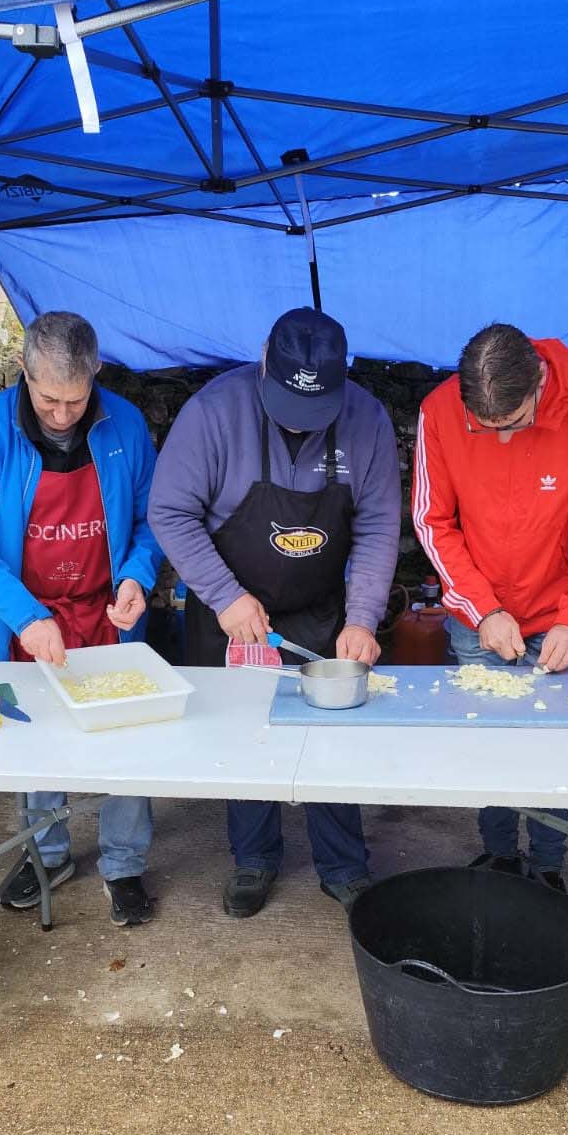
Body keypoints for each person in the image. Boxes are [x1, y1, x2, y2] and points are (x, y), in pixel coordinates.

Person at [148, 307, 401, 917]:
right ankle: (254, 857)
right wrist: (225, 596)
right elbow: (169, 512)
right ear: (264, 363)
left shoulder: (367, 420)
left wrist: (363, 617)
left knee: (331, 734)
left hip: (321, 609)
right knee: (244, 733)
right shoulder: (213, 413)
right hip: (232, 612)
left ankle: (343, 863)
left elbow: (377, 524)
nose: (299, 424)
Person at [0, 312, 164, 926]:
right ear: (23, 371)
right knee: (38, 736)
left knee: (125, 735)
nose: (63, 414)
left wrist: (137, 576)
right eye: (48, 400)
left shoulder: (126, 424)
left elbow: (153, 520)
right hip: (29, 612)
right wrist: (24, 615)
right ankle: (47, 853)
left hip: (107, 610)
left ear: (97, 373)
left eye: (75, 399)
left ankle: (124, 864)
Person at [412, 323, 568, 891]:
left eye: (513, 423)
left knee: (551, 743)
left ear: (538, 381)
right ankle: (500, 857)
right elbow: (432, 522)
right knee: (489, 737)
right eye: (486, 429)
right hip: (479, 613)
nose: (503, 438)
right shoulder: (438, 412)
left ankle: (550, 866)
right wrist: (482, 608)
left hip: (557, 609)